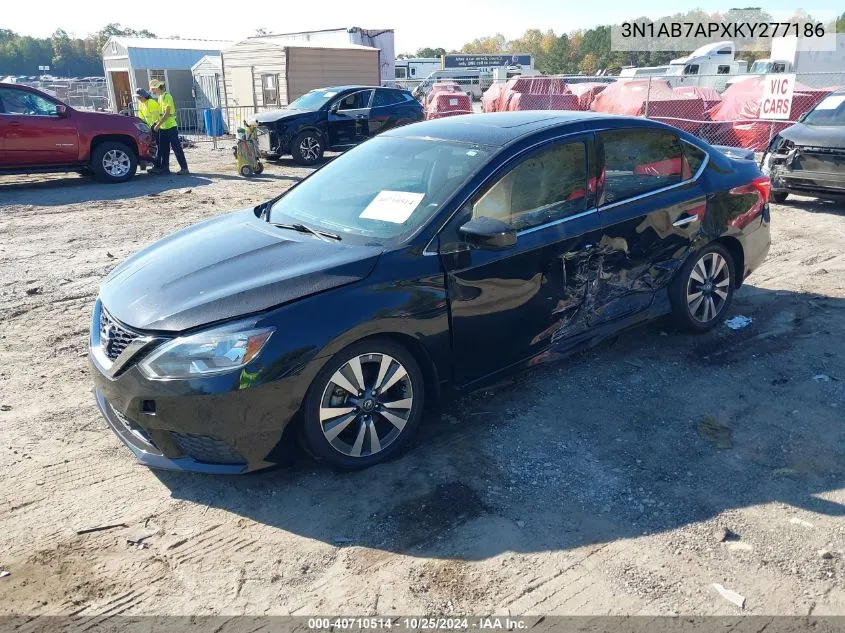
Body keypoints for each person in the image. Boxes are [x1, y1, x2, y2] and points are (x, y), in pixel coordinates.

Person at [149, 80, 189, 175]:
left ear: (158, 88)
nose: (152, 91)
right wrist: (157, 123)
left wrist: (158, 125)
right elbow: (161, 114)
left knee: (176, 148)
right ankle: (165, 168)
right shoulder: (160, 97)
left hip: (170, 126)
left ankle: (184, 168)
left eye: (153, 89)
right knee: (163, 148)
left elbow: (167, 114)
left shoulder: (167, 97)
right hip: (163, 127)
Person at [135, 88, 161, 170]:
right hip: (148, 128)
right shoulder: (141, 103)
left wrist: (154, 126)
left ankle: (158, 165)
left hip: (156, 127)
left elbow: (157, 116)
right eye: (137, 97)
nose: (138, 99)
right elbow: (141, 116)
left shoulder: (151, 103)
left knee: (156, 147)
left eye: (139, 97)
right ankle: (155, 165)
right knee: (151, 148)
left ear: (144, 96)